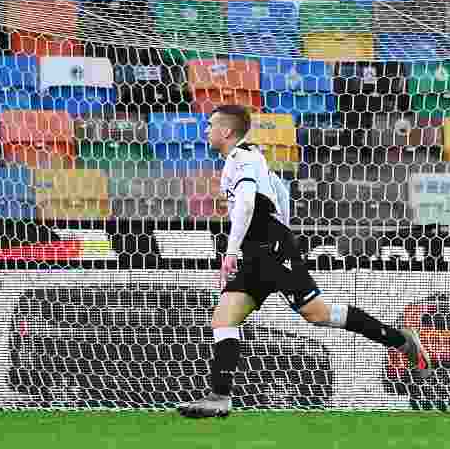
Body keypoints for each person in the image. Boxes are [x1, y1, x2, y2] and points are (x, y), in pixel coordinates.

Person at [178, 105, 432, 418]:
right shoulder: (248, 158)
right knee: (224, 319)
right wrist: (279, 229)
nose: (206, 131)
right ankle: (220, 396)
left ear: (226, 131)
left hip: (267, 248)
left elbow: (245, 203)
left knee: (318, 315)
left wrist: (234, 250)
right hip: (259, 248)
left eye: (210, 125)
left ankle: (401, 341)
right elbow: (280, 191)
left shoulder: (242, 158)